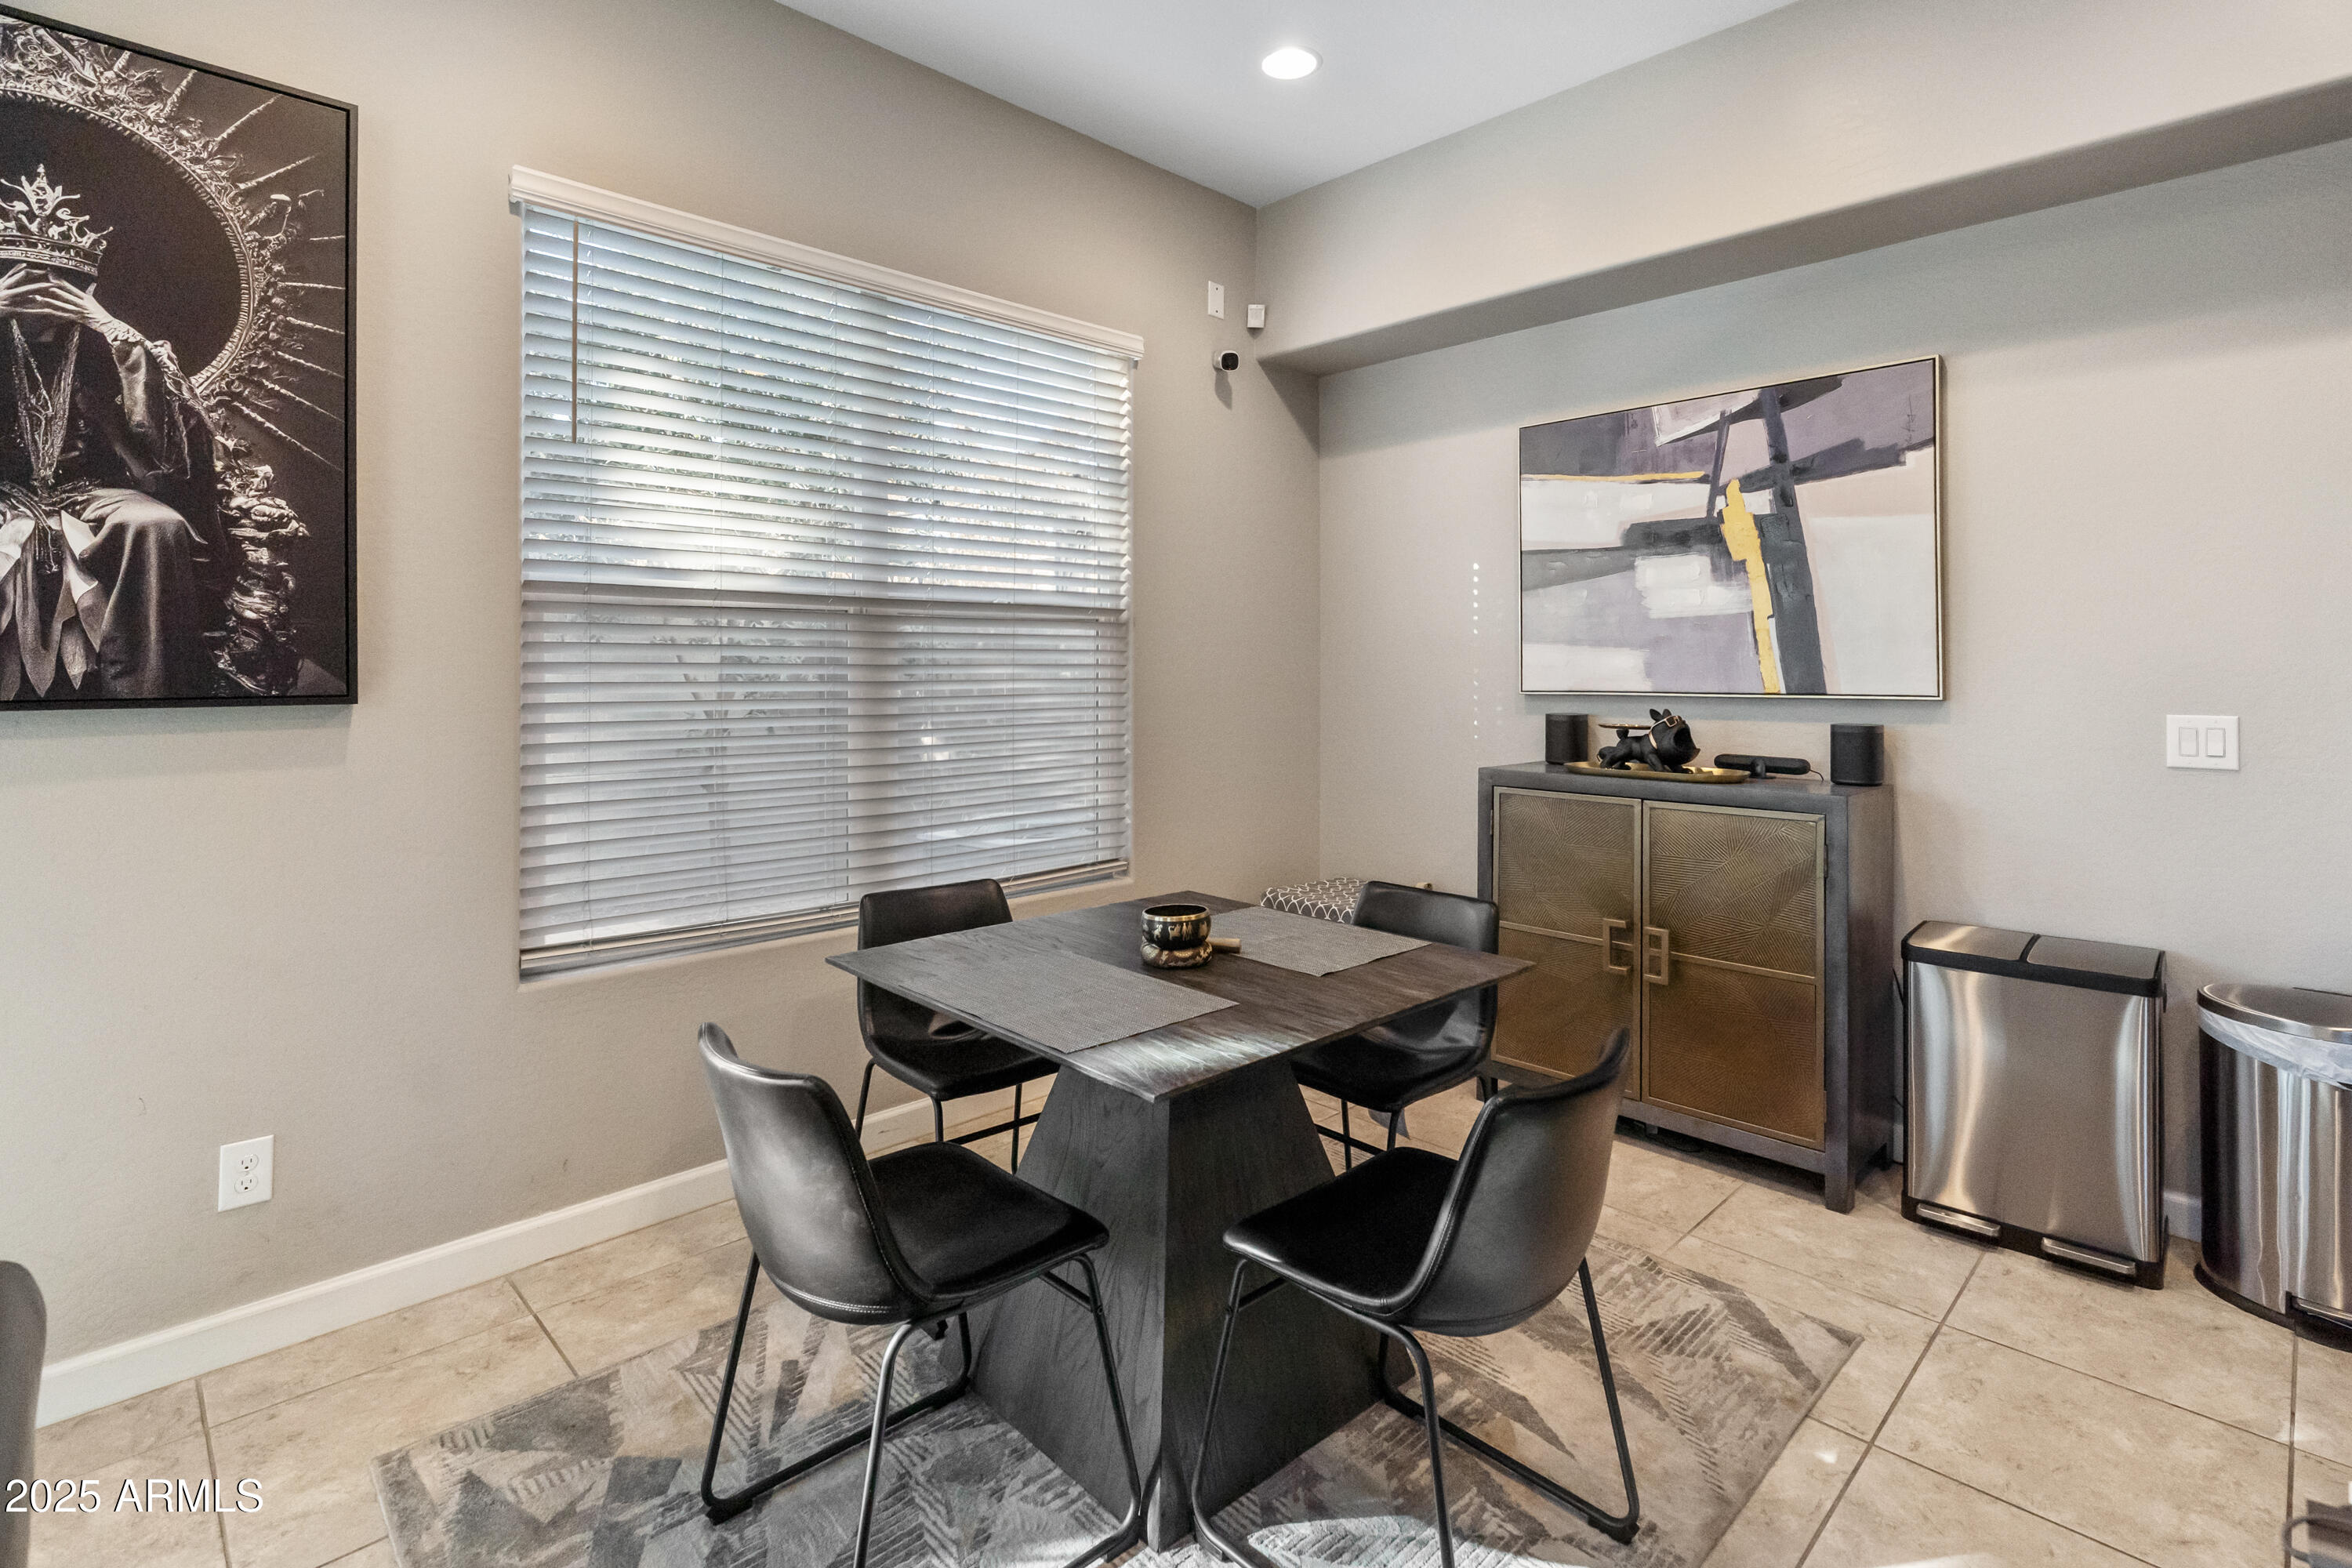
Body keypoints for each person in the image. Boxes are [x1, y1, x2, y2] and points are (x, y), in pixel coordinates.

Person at [0, 165, 230, 700]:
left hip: (89, 494)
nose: (41, 299)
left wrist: (113, 331)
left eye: (57, 287)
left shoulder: (108, 344)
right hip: (5, 493)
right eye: (26, 283)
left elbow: (168, 451)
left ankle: (144, 695)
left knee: (157, 526)